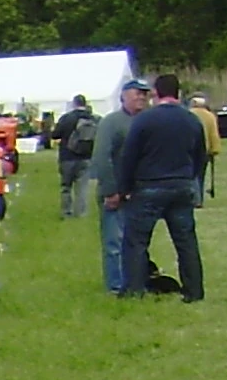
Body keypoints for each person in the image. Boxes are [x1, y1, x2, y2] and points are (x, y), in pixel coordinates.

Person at [110, 71, 207, 303]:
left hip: (149, 187)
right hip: (182, 185)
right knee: (185, 241)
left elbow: (129, 157)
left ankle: (134, 289)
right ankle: (194, 291)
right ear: (178, 93)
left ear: (156, 93)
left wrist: (124, 189)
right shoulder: (192, 120)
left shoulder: (145, 120)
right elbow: (200, 155)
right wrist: (190, 180)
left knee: (136, 241)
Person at [88, 80, 150, 293]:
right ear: (123, 95)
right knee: (115, 243)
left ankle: (136, 283)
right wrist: (111, 190)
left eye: (145, 94)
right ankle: (116, 286)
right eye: (137, 93)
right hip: (116, 192)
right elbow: (102, 157)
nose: (141, 97)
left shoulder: (148, 121)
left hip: (140, 192)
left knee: (137, 242)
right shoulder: (111, 122)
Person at [51, 95, 97, 218]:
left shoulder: (67, 118)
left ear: (74, 104)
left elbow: (55, 135)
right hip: (86, 156)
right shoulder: (93, 118)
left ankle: (66, 212)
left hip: (67, 156)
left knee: (66, 187)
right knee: (82, 187)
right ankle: (81, 212)